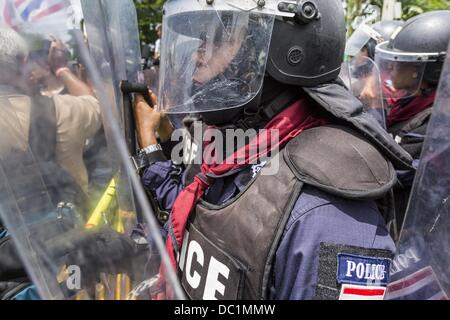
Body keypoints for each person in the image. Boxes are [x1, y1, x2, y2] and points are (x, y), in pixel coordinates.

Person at [133, 0, 413, 300]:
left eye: (219, 36)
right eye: (201, 39)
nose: (199, 54)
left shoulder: (327, 215)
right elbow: (199, 216)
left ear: (282, 51)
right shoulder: (238, 144)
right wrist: (155, 147)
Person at [0, 26, 102, 300]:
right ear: (23, 62)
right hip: (69, 262)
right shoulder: (62, 110)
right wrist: (61, 69)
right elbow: (96, 106)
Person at [374, 10, 450, 229]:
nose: (391, 67)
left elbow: (393, 173)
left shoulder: (437, 125)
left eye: (400, 62)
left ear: (430, 70)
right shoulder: (409, 107)